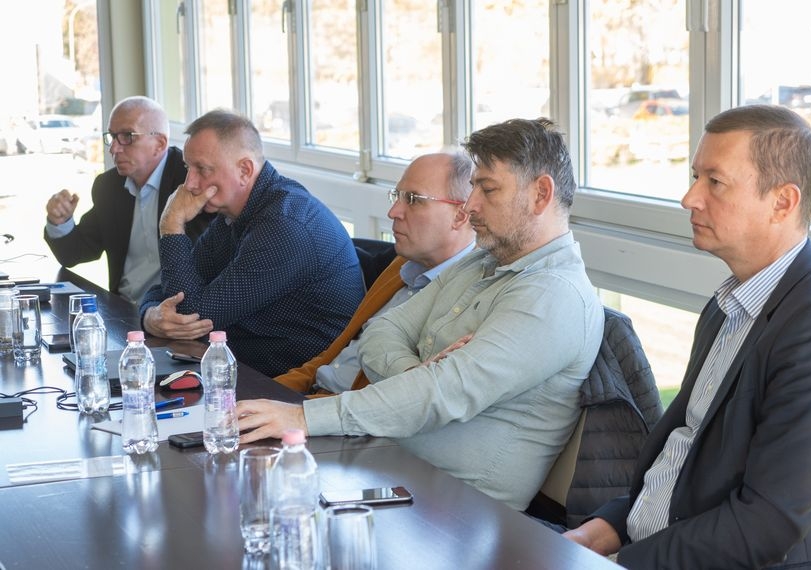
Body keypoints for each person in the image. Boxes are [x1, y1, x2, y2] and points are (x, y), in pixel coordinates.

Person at [563, 105, 811, 569]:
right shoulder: (730, 304)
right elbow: (685, 457)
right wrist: (598, 532)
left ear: (782, 202)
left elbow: (766, 526)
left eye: (715, 182)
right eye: (695, 176)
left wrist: (622, 563)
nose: (689, 198)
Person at [237, 118, 605, 511]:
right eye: (473, 186)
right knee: (239, 482)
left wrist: (305, 418)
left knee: (256, 508)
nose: (471, 204)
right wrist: (418, 374)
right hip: (387, 468)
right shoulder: (481, 262)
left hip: (451, 509)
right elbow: (381, 331)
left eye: (488, 189)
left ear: (541, 194)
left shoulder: (554, 295)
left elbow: (442, 394)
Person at [139, 109, 364, 378]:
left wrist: (172, 225)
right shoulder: (234, 215)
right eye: (189, 168)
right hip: (242, 367)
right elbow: (172, 293)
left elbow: (192, 316)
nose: (190, 184)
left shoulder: (285, 224)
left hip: (296, 385)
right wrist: (151, 316)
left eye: (203, 169)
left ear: (245, 170)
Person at [274, 151, 476, 395]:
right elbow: (334, 356)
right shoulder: (402, 265)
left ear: (460, 216)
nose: (393, 212)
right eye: (397, 196)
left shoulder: (468, 299)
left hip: (343, 413)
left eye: (413, 199)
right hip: (310, 397)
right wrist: (272, 391)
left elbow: (406, 400)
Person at [44, 96, 211, 303]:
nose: (114, 148)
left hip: (178, 310)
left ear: (159, 144)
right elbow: (75, 253)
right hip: (123, 309)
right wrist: (60, 222)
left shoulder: (191, 181)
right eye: (112, 137)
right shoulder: (109, 186)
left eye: (127, 136)